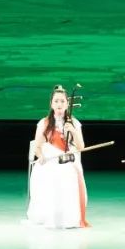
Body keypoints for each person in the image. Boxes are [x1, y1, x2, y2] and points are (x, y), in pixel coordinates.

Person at [27, 85, 90, 228]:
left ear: (67, 104)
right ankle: (51, 216)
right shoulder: (44, 123)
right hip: (49, 162)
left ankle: (68, 218)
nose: (59, 104)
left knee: (67, 173)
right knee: (50, 174)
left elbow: (81, 147)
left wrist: (73, 131)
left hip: (68, 162)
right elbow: (37, 147)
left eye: (62, 101)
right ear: (51, 104)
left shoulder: (74, 122)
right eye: (56, 101)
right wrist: (41, 156)